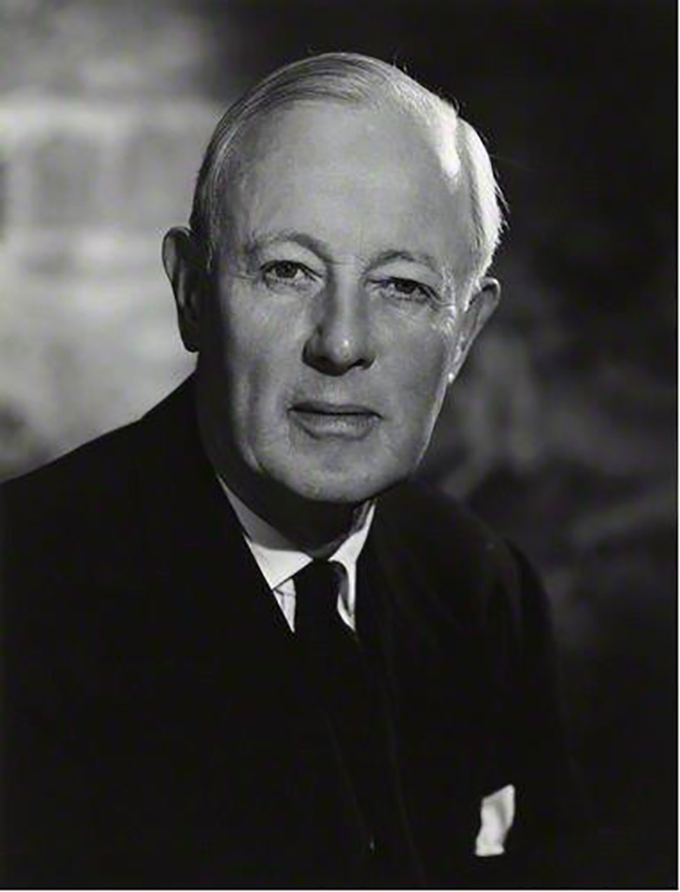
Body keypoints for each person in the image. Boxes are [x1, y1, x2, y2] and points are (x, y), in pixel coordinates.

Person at [0, 53, 586, 886]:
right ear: (191, 293)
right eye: (287, 271)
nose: (341, 342)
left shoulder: (484, 590)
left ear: (464, 334)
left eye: (403, 286)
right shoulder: (24, 593)